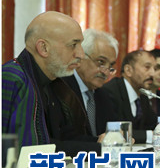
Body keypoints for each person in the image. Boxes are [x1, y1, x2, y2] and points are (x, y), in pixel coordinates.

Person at [2, 11, 102, 155]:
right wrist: (100, 149)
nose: (81, 54)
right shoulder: (12, 78)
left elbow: (64, 137)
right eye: (73, 45)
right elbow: (28, 150)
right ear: (43, 48)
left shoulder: (54, 82)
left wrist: (100, 142)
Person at [62, 29, 119, 136]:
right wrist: (97, 142)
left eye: (110, 66)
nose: (106, 72)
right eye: (101, 62)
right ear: (80, 57)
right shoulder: (61, 88)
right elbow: (64, 138)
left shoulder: (105, 96)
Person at [98, 49, 158, 144]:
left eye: (155, 69)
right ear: (128, 70)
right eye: (147, 67)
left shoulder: (143, 95)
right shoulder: (110, 92)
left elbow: (153, 125)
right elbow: (115, 132)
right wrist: (152, 135)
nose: (153, 74)